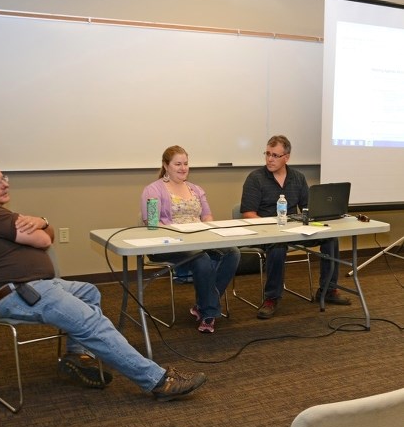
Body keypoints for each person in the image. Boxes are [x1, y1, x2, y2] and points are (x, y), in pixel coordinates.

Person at [0, 158, 207, 401]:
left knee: (88, 291)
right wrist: (42, 226)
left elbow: (48, 233)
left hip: (37, 287)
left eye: (3, 178)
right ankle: (158, 381)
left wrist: (42, 222)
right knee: (93, 324)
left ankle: (76, 357)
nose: (4, 184)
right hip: (20, 293)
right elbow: (44, 240)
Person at [240, 135, 351, 319]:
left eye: (275, 155)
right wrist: (272, 227)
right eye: (267, 154)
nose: (270, 159)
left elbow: (308, 208)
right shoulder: (255, 178)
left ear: (287, 157)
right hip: (268, 231)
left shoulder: (298, 178)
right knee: (278, 245)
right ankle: (272, 298)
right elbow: (248, 213)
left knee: (331, 238)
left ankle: (328, 290)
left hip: (294, 229)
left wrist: (311, 218)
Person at [140, 145, 240, 333]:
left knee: (232, 253)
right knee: (200, 258)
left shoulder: (196, 189)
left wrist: (206, 230)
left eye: (186, 163)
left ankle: (203, 306)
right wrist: (178, 233)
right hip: (168, 244)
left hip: (199, 240)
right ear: (166, 165)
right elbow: (152, 224)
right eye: (177, 164)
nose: (183, 168)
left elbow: (208, 217)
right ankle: (209, 314)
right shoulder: (152, 190)